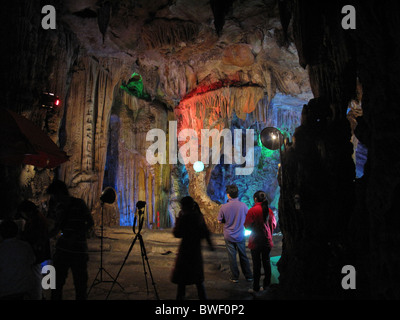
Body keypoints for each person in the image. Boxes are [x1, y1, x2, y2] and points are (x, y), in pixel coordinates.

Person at [46, 180, 94, 300]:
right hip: (63, 249)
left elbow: (90, 222)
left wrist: (77, 234)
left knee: (80, 285)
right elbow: (57, 227)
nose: (54, 198)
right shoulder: (58, 208)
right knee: (56, 283)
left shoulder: (79, 204)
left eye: (54, 195)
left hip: (78, 250)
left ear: (60, 193)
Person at [171, 196, 214, 300]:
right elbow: (205, 232)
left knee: (182, 281)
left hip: (185, 251)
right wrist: (210, 244)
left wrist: (178, 220)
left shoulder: (185, 217)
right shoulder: (199, 216)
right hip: (196, 251)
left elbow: (177, 233)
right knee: (198, 280)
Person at [217, 184, 253, 283]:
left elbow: (219, 221)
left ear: (228, 195)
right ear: (237, 194)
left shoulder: (223, 207)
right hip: (240, 235)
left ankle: (235, 277)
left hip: (228, 235)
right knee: (243, 255)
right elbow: (248, 217)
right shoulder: (243, 205)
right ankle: (249, 276)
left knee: (232, 257)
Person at [17, 200, 52, 300]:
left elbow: (34, 236)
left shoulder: (37, 220)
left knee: (36, 276)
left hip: (37, 253)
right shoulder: (36, 218)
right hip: (37, 253)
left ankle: (38, 296)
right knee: (36, 275)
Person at [244, 191, 277, 293]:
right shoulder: (269, 211)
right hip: (267, 241)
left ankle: (256, 287)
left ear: (255, 199)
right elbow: (274, 225)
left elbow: (247, 225)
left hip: (255, 242)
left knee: (256, 265)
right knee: (266, 263)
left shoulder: (252, 211)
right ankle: (266, 285)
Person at [0, 219, 37, 299]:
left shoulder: (2, 248)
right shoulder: (25, 246)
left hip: (5, 290)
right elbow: (32, 260)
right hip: (25, 288)